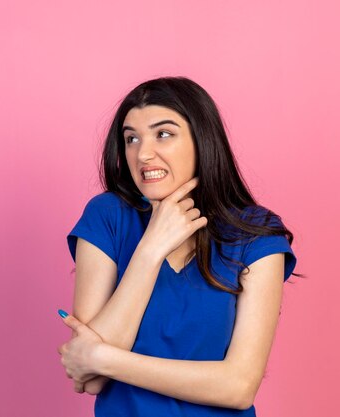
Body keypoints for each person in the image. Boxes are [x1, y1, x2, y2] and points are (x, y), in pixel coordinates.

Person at [56, 76, 302, 416]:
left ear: (202, 141)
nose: (143, 153)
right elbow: (93, 381)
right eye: (131, 138)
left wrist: (103, 357)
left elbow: (238, 387)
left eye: (164, 134)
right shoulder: (108, 217)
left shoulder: (256, 235)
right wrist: (150, 250)